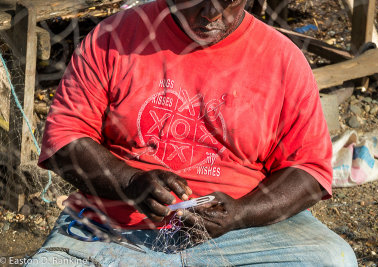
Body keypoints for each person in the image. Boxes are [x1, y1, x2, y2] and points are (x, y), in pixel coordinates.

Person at [28, 0, 357, 265]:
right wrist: (129, 181)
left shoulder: (282, 60)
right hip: (114, 226)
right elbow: (64, 138)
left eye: (228, 1)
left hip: (243, 235)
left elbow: (310, 170)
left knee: (332, 259)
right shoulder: (113, 37)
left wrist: (242, 213)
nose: (211, 12)